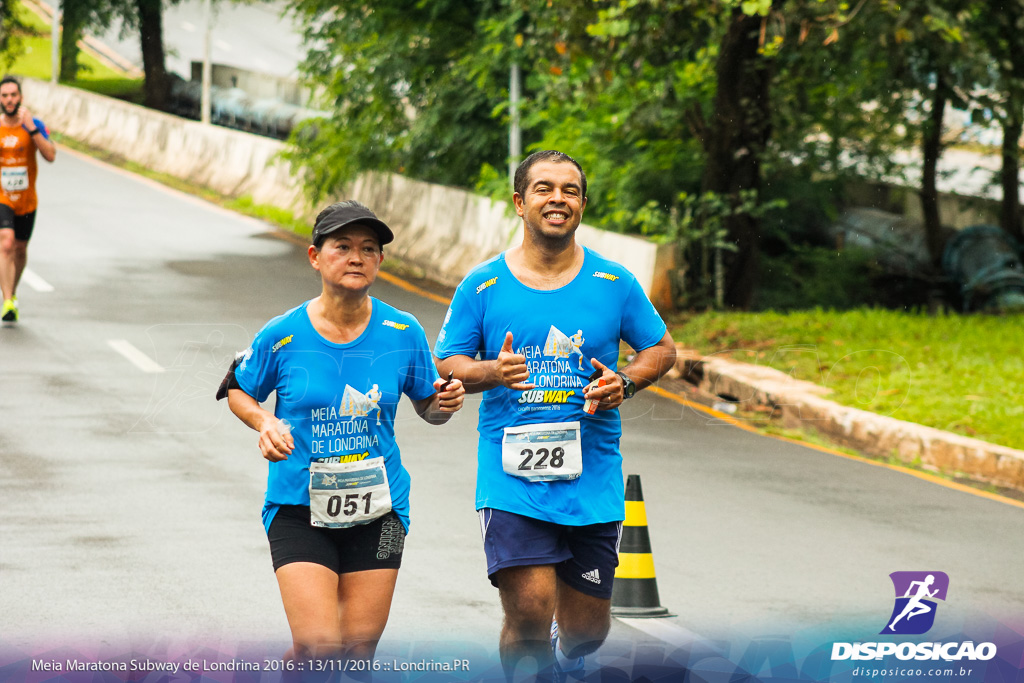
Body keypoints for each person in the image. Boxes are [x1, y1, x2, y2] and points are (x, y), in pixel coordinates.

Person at [433, 150, 677, 680]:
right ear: (520, 203)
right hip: (511, 478)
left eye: (569, 190)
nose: (557, 199)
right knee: (529, 610)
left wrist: (626, 381)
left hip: (593, 478)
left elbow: (661, 349)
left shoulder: (615, 283)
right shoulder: (483, 285)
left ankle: (567, 661)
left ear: (582, 205)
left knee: (589, 629)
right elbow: (448, 360)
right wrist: (492, 372)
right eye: (544, 189)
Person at [219, 200, 465, 663]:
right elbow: (237, 390)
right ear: (315, 256)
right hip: (298, 507)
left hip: (380, 509)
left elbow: (429, 406)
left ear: (380, 261)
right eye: (343, 246)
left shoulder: (402, 330)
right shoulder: (282, 333)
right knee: (320, 647)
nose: (357, 257)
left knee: (354, 651)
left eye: (369, 248)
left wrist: (444, 405)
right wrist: (265, 421)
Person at [0, 75, 57, 323]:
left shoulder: (34, 124)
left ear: (21, 97)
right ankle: (8, 300)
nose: (9, 99)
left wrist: (32, 128)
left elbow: (50, 155)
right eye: (4, 95)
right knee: (7, 242)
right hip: (2, 197)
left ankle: (11, 290)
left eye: (13, 95)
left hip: (26, 200)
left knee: (20, 249)